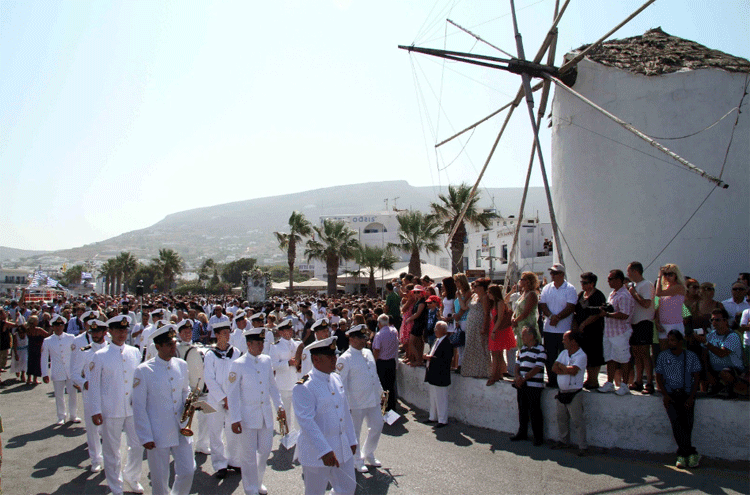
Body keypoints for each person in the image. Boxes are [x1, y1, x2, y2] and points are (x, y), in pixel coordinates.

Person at [132, 325, 195, 495]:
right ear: (158, 347)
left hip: (181, 428)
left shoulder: (181, 364)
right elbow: (138, 406)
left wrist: (189, 403)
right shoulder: (144, 370)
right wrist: (145, 435)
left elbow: (184, 390)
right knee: (159, 478)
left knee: (188, 470)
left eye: (174, 343)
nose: (173, 347)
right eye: (168, 344)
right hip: (158, 431)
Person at [293, 336, 358, 495]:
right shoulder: (304, 386)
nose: (335, 359)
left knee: (348, 488)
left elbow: (345, 412)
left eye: (335, 355)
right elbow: (307, 422)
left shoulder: (335, 378)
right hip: (317, 452)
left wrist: (352, 439)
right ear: (316, 359)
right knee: (315, 492)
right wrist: (324, 450)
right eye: (330, 357)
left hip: (342, 447)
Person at [89, 314, 145, 495]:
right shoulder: (100, 356)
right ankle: (116, 486)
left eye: (124, 329)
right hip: (110, 409)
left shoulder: (134, 352)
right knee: (112, 451)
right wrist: (95, 409)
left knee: (137, 446)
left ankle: (132, 476)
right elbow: (94, 386)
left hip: (132, 408)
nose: (122, 333)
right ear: (109, 332)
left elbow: (139, 381)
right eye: (118, 330)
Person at [228, 326, 284, 495]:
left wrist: (279, 405)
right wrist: (234, 418)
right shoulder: (238, 364)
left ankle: (258, 481)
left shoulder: (266, 360)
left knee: (266, 450)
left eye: (262, 342)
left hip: (265, 414)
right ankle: (250, 488)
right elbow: (232, 394)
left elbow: (272, 386)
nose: (261, 346)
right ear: (249, 344)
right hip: (247, 416)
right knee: (248, 455)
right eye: (258, 343)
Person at [336, 324, 384, 472]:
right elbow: (340, 384)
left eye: (365, 337)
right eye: (361, 338)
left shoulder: (368, 353)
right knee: (355, 432)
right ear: (351, 339)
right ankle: (357, 460)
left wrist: (381, 392)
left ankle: (368, 453)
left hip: (373, 399)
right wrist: (343, 406)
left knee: (377, 426)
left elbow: (374, 375)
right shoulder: (345, 358)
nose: (364, 341)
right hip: (355, 402)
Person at [655, 329, 702, 469]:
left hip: (686, 394)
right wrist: (665, 395)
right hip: (671, 395)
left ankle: (683, 454)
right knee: (676, 424)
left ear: (680, 342)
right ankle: (689, 453)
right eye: (669, 340)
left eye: (673, 340)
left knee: (687, 425)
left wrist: (691, 397)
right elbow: (659, 377)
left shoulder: (690, 356)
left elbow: (697, 377)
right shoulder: (663, 356)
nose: (670, 343)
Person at [203, 319, 241, 478]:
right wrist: (223, 397)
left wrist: (232, 397)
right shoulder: (210, 355)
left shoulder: (236, 352)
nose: (227, 335)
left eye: (228, 332)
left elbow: (239, 375)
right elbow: (209, 379)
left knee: (233, 431)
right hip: (214, 399)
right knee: (215, 431)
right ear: (217, 335)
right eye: (224, 333)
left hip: (232, 398)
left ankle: (234, 460)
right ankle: (220, 464)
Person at [70, 318, 109, 472]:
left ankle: (109, 458)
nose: (95, 334)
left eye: (98, 331)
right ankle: (95, 459)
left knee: (108, 428)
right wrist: (84, 383)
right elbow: (74, 373)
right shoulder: (85, 351)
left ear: (105, 333)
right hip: (90, 394)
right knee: (92, 428)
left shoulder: (111, 349)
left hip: (107, 393)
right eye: (93, 331)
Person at [539, 264, 578, 388]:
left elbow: (571, 307)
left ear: (561, 274)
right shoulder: (547, 288)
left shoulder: (570, 288)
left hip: (564, 329)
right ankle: (552, 379)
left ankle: (564, 380)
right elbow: (543, 304)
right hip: (549, 328)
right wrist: (551, 317)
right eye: (551, 273)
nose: (552, 276)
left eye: (555, 273)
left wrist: (558, 317)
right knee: (550, 355)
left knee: (564, 356)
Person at [598, 269, 635, 396]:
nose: (608, 281)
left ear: (619, 280)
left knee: (624, 359)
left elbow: (624, 314)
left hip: (620, 332)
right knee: (610, 358)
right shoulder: (612, 294)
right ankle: (609, 382)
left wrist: (607, 314)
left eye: (611, 279)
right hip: (609, 332)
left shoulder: (624, 295)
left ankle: (625, 384)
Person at [551, 331, 588, 456]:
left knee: (578, 420)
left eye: (565, 339)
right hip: (562, 391)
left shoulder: (581, 355)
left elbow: (573, 371)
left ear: (573, 341)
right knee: (561, 418)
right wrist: (564, 369)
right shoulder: (563, 353)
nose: (563, 341)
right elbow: (554, 368)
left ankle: (583, 446)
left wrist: (563, 368)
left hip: (575, 393)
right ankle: (563, 441)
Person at [696, 307, 745, 398]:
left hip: (734, 372)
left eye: (717, 320)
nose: (714, 322)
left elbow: (722, 354)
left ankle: (733, 390)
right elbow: (704, 355)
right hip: (716, 371)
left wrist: (706, 343)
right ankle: (706, 393)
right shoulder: (710, 335)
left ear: (725, 321)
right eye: (712, 320)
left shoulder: (733, 336)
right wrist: (707, 372)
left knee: (725, 373)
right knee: (699, 368)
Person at [41, 314, 80, 424]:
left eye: (61, 325)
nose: (58, 327)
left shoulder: (71, 338)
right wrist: (45, 373)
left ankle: (73, 415)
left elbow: (77, 354)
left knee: (73, 394)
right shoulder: (48, 340)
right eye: (56, 325)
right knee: (59, 395)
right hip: (57, 370)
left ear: (64, 326)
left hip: (71, 370)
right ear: (52, 326)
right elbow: (44, 358)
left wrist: (79, 370)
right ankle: (61, 416)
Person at [511, 327, 546, 446]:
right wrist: (517, 377)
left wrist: (524, 377)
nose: (522, 338)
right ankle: (522, 432)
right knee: (522, 409)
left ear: (532, 336)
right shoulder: (523, 349)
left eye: (524, 335)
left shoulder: (541, 349)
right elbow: (517, 365)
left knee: (534, 410)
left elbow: (538, 367)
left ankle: (538, 437)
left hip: (534, 385)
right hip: (522, 384)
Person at [626, 262, 656, 394]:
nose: (627, 274)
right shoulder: (634, 285)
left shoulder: (646, 284)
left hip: (644, 322)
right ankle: (638, 381)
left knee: (644, 353)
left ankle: (649, 382)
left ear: (635, 271)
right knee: (636, 353)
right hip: (634, 323)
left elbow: (646, 303)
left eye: (629, 271)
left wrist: (633, 293)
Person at [572, 272, 606, 389]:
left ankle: (593, 380)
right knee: (585, 354)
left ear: (592, 284)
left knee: (594, 355)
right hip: (582, 332)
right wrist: (576, 324)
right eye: (581, 282)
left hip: (594, 330)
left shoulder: (598, 295)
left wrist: (584, 324)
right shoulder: (581, 294)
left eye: (585, 282)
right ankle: (588, 379)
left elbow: (598, 313)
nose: (582, 284)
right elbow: (576, 310)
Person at [269, 318, 300, 431]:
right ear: (281, 332)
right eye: (287, 330)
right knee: (284, 412)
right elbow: (273, 365)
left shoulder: (297, 343)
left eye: (290, 329)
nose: (290, 332)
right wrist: (288, 363)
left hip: (296, 382)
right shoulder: (275, 346)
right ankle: (285, 433)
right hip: (283, 384)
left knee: (298, 412)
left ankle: (298, 434)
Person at [423, 321, 453, 428]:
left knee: (441, 398)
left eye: (437, 328)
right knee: (433, 397)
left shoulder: (447, 343)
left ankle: (442, 420)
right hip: (433, 373)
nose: (435, 330)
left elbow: (445, 360)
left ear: (444, 331)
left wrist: (429, 358)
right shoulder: (437, 341)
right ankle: (433, 417)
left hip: (441, 375)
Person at [461, 278, 491, 379]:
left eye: (477, 286)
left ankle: (482, 371)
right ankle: (471, 370)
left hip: (479, 324)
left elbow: (487, 313)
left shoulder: (484, 297)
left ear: (483, 287)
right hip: (471, 324)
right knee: (471, 345)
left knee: (480, 346)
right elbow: (465, 306)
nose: (474, 288)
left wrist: (484, 327)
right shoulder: (474, 296)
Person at [487, 285, 515, 385]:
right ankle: (497, 373)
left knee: (496, 353)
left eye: (489, 292)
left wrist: (494, 331)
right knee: (495, 353)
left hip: (498, 329)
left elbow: (500, 318)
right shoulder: (494, 303)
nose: (488, 294)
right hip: (494, 328)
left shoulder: (500, 303)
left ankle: (494, 375)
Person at [655, 264, 687, 346]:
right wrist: (657, 321)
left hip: (674, 324)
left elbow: (658, 293)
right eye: (665, 274)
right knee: (664, 351)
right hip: (663, 324)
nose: (667, 277)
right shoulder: (666, 288)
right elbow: (660, 307)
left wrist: (659, 277)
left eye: (670, 274)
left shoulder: (679, 287)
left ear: (676, 275)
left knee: (676, 351)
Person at [372, 314, 399, 412]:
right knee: (390, 386)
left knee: (382, 386)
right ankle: (391, 407)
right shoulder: (394, 332)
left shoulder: (379, 334)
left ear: (379, 324)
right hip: (391, 362)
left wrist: (374, 362)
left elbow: (376, 350)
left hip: (382, 362)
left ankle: (384, 407)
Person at [25, 315, 49, 385]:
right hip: (38, 347)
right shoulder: (38, 330)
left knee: (30, 362)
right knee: (37, 363)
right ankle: (35, 379)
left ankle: (28, 379)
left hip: (30, 347)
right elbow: (47, 335)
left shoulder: (28, 329)